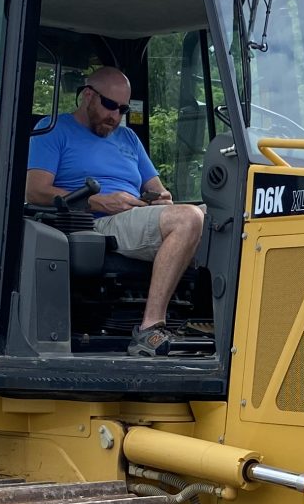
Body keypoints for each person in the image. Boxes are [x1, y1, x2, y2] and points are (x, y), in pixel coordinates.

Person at [25, 68, 206, 356]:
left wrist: (162, 199)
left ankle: (215, 328)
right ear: (87, 96)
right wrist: (100, 201)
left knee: (228, 219)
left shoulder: (128, 138)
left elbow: (159, 190)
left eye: (123, 109)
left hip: (134, 215)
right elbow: (34, 191)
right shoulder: (53, 129)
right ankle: (150, 328)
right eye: (110, 106)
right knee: (189, 218)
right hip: (95, 221)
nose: (116, 116)